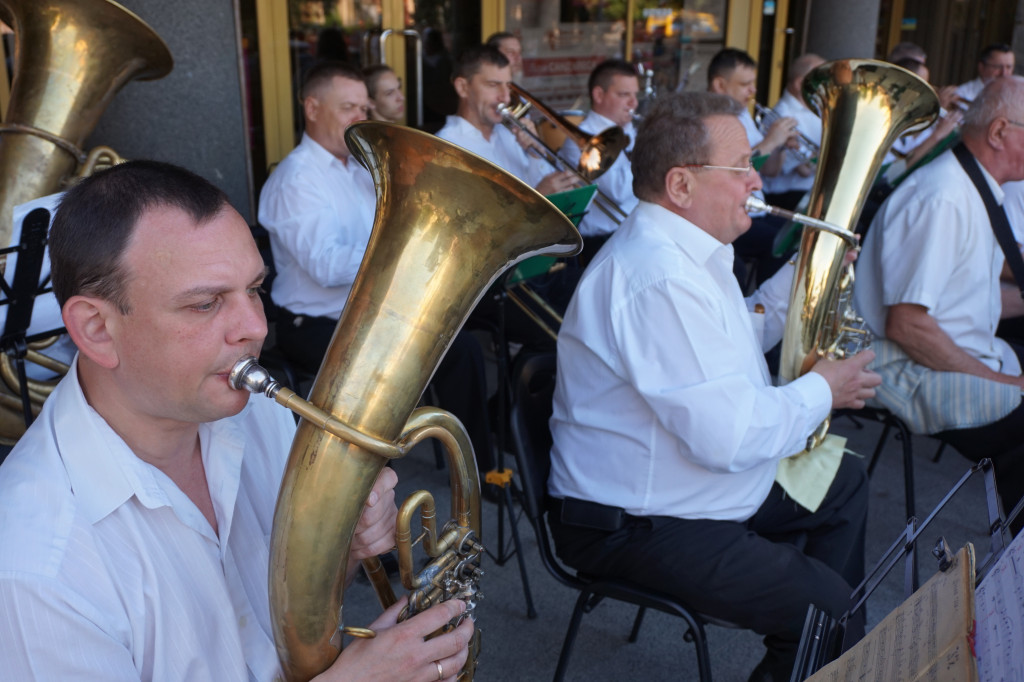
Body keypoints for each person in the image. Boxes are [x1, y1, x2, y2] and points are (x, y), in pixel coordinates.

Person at [0, 160, 473, 681]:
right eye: (206, 304)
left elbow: (287, 621)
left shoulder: (260, 413)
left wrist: (344, 551)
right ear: (96, 329)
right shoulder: (33, 566)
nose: (255, 328)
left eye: (254, 289)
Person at [547, 92, 880, 682]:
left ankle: (819, 652)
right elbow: (728, 438)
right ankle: (822, 630)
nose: (758, 180)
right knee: (828, 610)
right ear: (681, 185)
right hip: (638, 523)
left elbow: (734, 335)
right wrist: (823, 390)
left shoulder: (685, 250)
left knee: (843, 482)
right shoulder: (658, 276)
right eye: (743, 167)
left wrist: (805, 275)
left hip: (688, 490)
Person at [258, 61, 494, 476]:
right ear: (312, 108)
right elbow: (326, 267)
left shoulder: (359, 169)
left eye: (364, 108)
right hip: (314, 323)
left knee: (463, 347)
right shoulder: (295, 179)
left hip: (372, 314)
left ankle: (478, 472)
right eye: (348, 107)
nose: (360, 118)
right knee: (400, 367)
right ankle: (368, 485)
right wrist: (403, 250)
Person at [854, 75, 1024, 531]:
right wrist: (1002, 380)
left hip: (951, 352)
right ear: (999, 131)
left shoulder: (972, 186)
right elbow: (906, 326)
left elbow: (967, 301)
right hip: (904, 366)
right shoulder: (944, 196)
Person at [436, 45, 576, 197]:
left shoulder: (508, 134)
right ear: (463, 88)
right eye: (493, 85)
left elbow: (536, 186)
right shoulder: (444, 148)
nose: (506, 97)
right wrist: (539, 195)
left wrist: (535, 152)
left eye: (508, 86)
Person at [559, 58, 640, 263]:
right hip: (599, 244)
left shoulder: (630, 130)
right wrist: (648, 161)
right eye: (624, 95)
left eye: (635, 95)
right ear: (598, 95)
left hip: (633, 232)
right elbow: (618, 192)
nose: (634, 103)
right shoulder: (581, 140)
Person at [762, 53, 824, 211]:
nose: (825, 86)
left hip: (811, 192)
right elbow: (805, 169)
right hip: (788, 196)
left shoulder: (817, 110)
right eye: (821, 81)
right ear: (800, 83)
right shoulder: (783, 114)